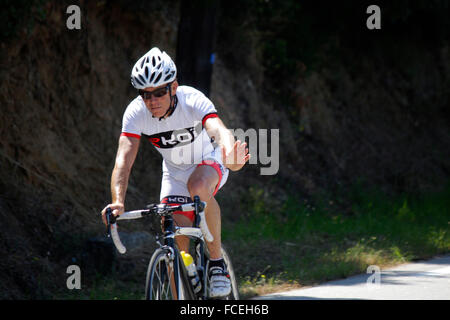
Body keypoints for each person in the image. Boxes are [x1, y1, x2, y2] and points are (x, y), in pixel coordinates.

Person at [101, 47, 250, 298]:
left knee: (199, 187)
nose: (152, 101)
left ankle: (216, 264)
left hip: (209, 160)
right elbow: (123, 160)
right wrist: (118, 201)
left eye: (159, 92)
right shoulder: (136, 113)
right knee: (175, 241)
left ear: (174, 87)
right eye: (145, 95)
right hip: (174, 173)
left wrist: (230, 152)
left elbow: (217, 128)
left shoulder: (192, 100)